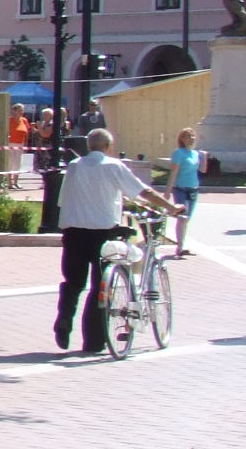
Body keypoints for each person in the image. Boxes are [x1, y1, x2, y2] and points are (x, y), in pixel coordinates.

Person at [52, 128, 179, 354]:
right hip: (102, 233)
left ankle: (64, 319)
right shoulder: (113, 166)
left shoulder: (74, 166)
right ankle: (94, 341)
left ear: (89, 146)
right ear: (108, 146)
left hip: (73, 232)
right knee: (100, 286)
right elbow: (143, 192)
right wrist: (170, 207)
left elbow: (62, 199)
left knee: (72, 282)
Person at [164, 128, 203, 255]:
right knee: (182, 217)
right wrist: (168, 191)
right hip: (180, 188)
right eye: (187, 136)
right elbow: (173, 172)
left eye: (192, 136)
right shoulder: (178, 153)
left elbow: (202, 170)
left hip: (193, 188)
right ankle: (180, 247)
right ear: (182, 139)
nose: (191, 138)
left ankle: (182, 244)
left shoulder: (196, 154)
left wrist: (205, 157)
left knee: (187, 218)